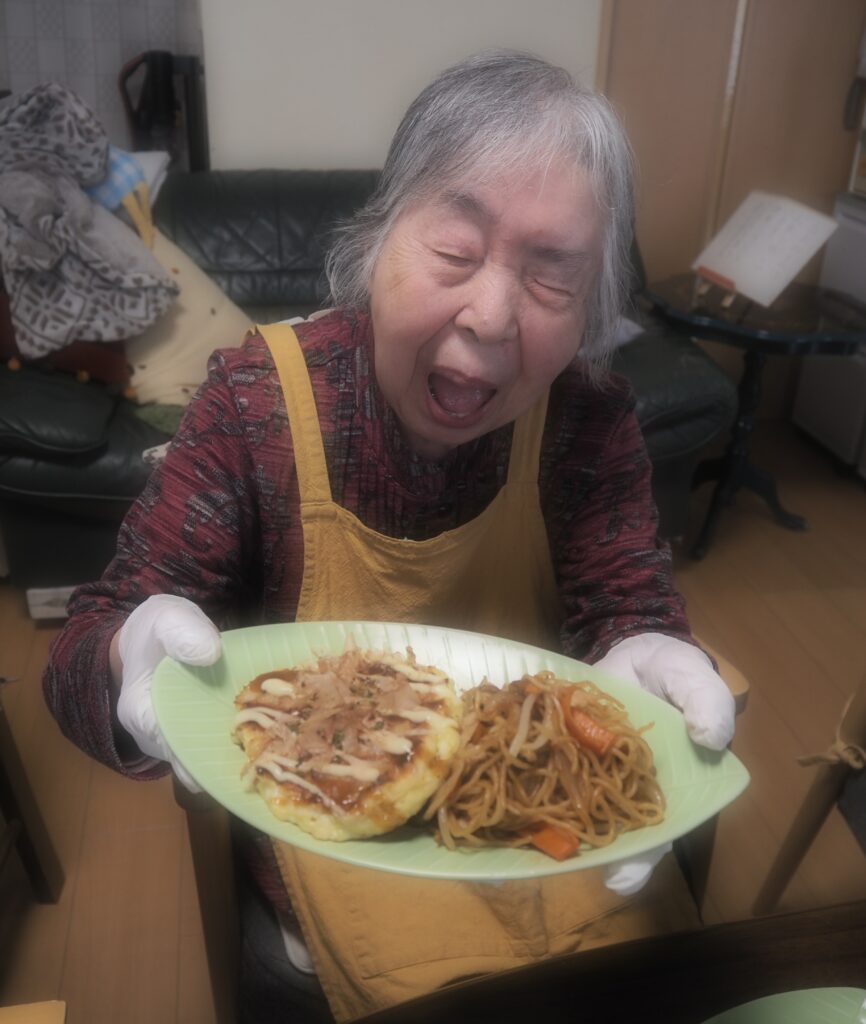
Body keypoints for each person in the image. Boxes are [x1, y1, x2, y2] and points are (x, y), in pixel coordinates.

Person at [43, 50, 735, 1023]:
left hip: (550, 836)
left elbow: (624, 607)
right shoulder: (255, 402)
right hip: (341, 845)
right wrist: (127, 656)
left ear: (590, 309)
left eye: (553, 277)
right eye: (455, 250)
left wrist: (648, 650)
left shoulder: (588, 419)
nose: (490, 316)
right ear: (376, 241)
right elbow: (83, 649)